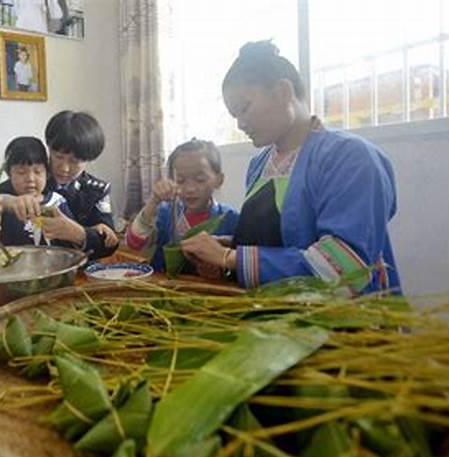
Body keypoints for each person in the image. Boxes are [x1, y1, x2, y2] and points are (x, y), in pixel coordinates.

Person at [181, 40, 401, 294]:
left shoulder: (350, 157)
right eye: (235, 117)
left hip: (343, 324)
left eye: (244, 109)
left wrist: (230, 257)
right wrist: (227, 247)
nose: (240, 124)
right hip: (275, 313)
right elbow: (284, 239)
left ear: (283, 92)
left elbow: (344, 269)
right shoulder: (260, 165)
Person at [125, 139, 238, 276]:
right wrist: (154, 201)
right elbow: (134, 243)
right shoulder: (165, 213)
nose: (190, 189)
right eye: (180, 180)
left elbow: (236, 271)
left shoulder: (232, 220)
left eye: (200, 179)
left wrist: (219, 272)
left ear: (219, 180)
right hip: (162, 289)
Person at [0, 136, 80, 247]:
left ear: (47, 173)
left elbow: (72, 241)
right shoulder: (3, 205)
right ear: (9, 174)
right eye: (21, 172)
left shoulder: (58, 202)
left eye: (38, 172)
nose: (30, 178)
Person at [43, 110, 119, 259]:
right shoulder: (32, 181)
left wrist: (79, 234)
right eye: (58, 157)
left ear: (88, 159)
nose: (64, 168)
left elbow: (109, 244)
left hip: (78, 272)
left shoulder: (96, 191)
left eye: (75, 161)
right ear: (49, 148)